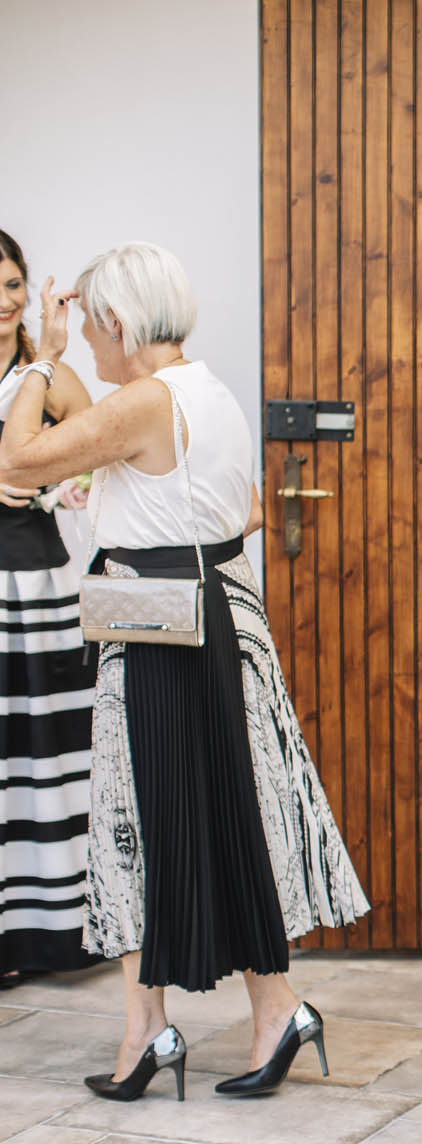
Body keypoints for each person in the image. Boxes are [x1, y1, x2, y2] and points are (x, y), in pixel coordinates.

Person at [0, 242, 368, 1101]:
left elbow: (14, 463)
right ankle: (257, 1013)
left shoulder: (144, 398)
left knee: (141, 824)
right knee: (214, 818)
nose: (85, 340)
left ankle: (168, 1028)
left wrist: (41, 363)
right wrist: (129, 501)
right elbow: (237, 509)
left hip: (161, 634)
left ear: (119, 322)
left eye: (89, 325)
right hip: (216, 618)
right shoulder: (210, 390)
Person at [0, 229, 97, 985]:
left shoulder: (49, 376)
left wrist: (69, 484)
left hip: (37, 582)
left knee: (48, 751)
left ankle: (58, 933)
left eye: (11, 285)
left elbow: (99, 456)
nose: (3, 301)